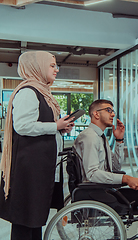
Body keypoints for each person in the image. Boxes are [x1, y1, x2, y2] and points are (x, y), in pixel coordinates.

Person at [0, 51, 75, 240]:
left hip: (37, 167)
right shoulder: (28, 92)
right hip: (29, 169)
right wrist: (55, 126)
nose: (56, 69)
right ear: (37, 67)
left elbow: (38, 126)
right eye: (51, 65)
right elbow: (23, 126)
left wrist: (60, 129)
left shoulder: (41, 92)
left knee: (34, 216)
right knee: (26, 217)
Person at [73, 99, 138, 233]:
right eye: (108, 110)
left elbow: (114, 167)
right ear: (96, 114)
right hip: (96, 192)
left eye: (113, 111)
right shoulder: (90, 137)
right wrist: (125, 179)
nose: (113, 114)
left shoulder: (100, 136)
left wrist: (119, 140)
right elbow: (92, 174)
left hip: (105, 188)